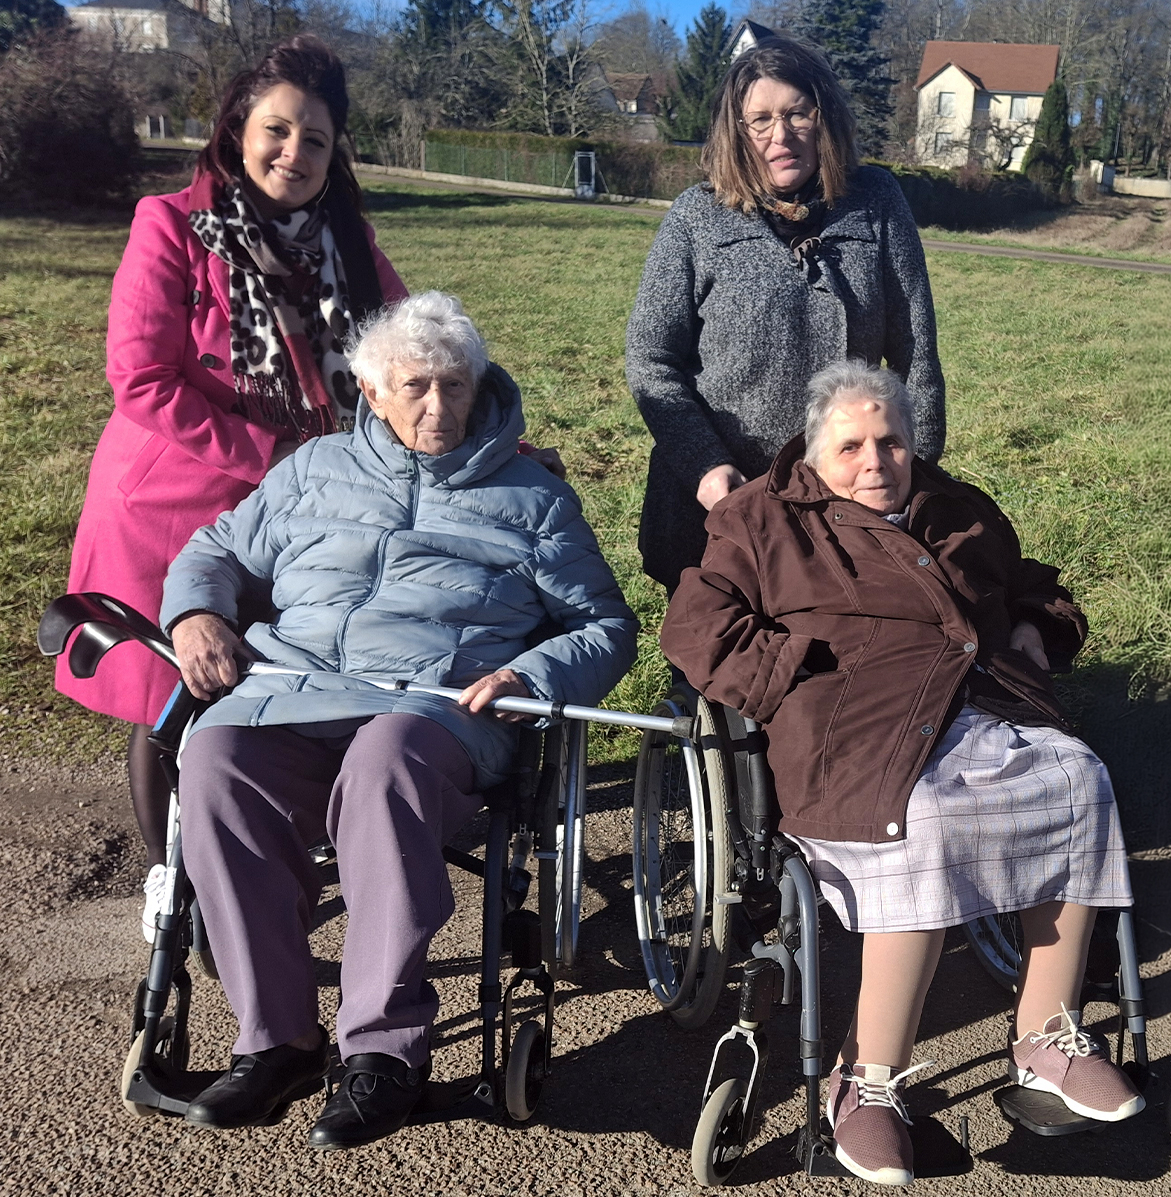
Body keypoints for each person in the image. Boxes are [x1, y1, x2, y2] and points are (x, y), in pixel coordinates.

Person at [159, 292, 638, 1149]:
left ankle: (384, 1052)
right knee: (216, 757)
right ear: (372, 392)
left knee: (386, 756)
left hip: (436, 708)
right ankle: (278, 1039)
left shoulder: (533, 499)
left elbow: (604, 624)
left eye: (455, 384)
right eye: (415, 386)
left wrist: (527, 672)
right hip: (295, 688)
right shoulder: (312, 470)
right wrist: (196, 613)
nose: (438, 405)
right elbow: (217, 549)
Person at [661, 360, 1142, 1186]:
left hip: (978, 707)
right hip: (852, 731)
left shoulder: (955, 507)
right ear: (814, 450)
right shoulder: (759, 517)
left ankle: (1045, 1034)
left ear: (913, 444)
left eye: (890, 442)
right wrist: (801, 674)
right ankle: (865, 1077)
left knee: (1078, 778)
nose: (874, 461)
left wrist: (1033, 626)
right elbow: (696, 628)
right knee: (923, 816)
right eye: (850, 446)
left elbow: (1035, 587)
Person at [55, 37, 408, 939]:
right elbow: (141, 378)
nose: (294, 153)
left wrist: (500, 438)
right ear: (237, 131)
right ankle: (172, 879)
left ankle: (255, 857)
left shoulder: (348, 243)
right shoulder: (172, 224)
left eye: (315, 139)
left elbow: (414, 362)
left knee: (266, 691)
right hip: (171, 505)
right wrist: (276, 452)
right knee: (173, 697)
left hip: (293, 516)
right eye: (276, 130)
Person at [626, 36, 945, 594]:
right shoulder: (696, 216)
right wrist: (704, 464)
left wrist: (916, 465)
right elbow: (651, 361)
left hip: (843, 490)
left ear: (825, 118)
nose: (781, 135)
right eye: (760, 120)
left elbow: (915, 349)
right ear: (736, 131)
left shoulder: (876, 200)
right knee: (715, 627)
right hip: (720, 490)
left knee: (835, 626)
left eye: (798, 113)